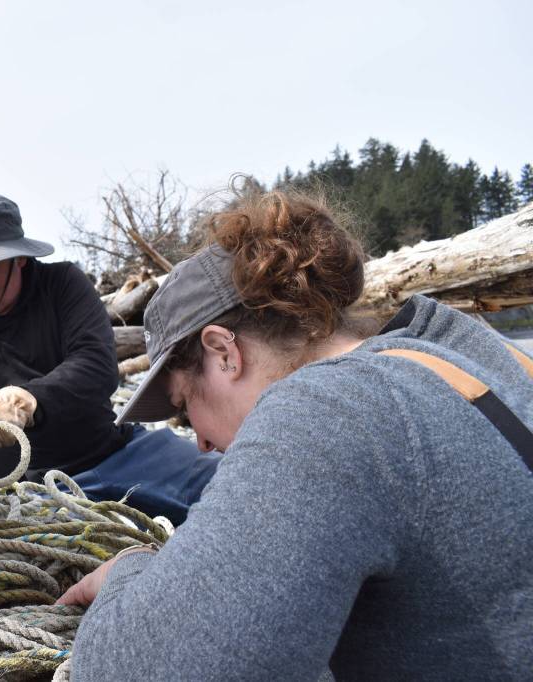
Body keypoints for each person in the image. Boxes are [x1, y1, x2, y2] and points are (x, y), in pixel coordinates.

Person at [58, 189, 533, 680]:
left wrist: (128, 573)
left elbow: (152, 671)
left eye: (184, 407)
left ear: (224, 352)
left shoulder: (327, 411)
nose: (197, 441)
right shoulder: (470, 359)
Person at [0, 191, 221, 524]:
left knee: (225, 482)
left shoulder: (63, 286)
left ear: (19, 259)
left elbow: (97, 366)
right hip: (17, 493)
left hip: (114, 456)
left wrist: (24, 403)